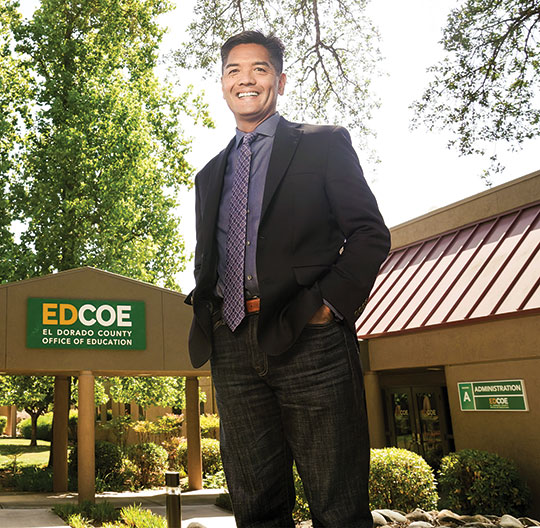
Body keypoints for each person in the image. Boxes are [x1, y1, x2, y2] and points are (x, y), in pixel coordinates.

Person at [185, 30, 390, 528]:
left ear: (278, 79)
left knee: (338, 508)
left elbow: (368, 233)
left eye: (258, 69)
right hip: (232, 344)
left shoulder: (322, 144)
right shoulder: (210, 174)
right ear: (222, 84)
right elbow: (209, 257)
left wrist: (327, 307)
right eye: (234, 71)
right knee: (255, 508)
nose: (245, 80)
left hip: (310, 339)